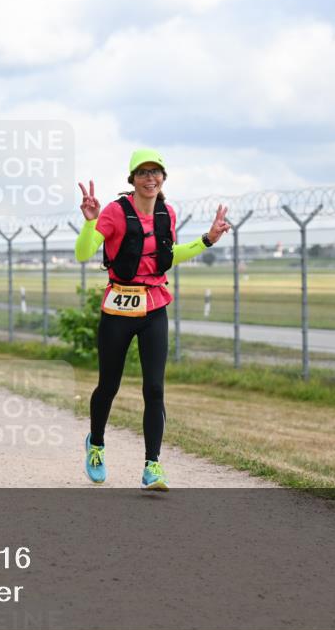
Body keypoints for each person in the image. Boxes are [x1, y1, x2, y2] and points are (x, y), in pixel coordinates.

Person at [74, 149, 230, 490]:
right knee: (109, 385)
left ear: (163, 178)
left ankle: (152, 465)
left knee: (155, 388)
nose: (150, 178)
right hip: (118, 307)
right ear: (132, 179)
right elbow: (83, 253)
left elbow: (169, 256)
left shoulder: (167, 213)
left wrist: (208, 240)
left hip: (154, 306)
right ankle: (96, 444)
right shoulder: (115, 212)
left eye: (156, 173)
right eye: (143, 173)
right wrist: (90, 221)